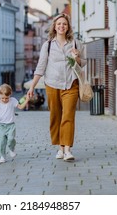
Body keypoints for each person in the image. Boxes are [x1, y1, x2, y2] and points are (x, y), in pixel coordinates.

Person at [26, 13, 86, 162]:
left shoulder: (76, 43)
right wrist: (32, 87)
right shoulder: (48, 45)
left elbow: (83, 63)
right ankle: (60, 147)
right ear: (54, 26)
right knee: (56, 116)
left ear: (68, 27)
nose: (61, 26)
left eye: (64, 24)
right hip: (52, 84)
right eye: (59, 24)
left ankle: (67, 150)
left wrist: (77, 56)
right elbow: (40, 67)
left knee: (68, 116)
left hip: (71, 84)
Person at [0, 83, 29, 163]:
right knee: (1, 142)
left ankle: (11, 149)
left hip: (11, 125)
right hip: (1, 126)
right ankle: (3, 156)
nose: (4, 100)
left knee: (11, 139)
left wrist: (27, 100)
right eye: (2, 98)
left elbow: (20, 107)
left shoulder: (13, 101)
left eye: (6, 98)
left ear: (10, 95)